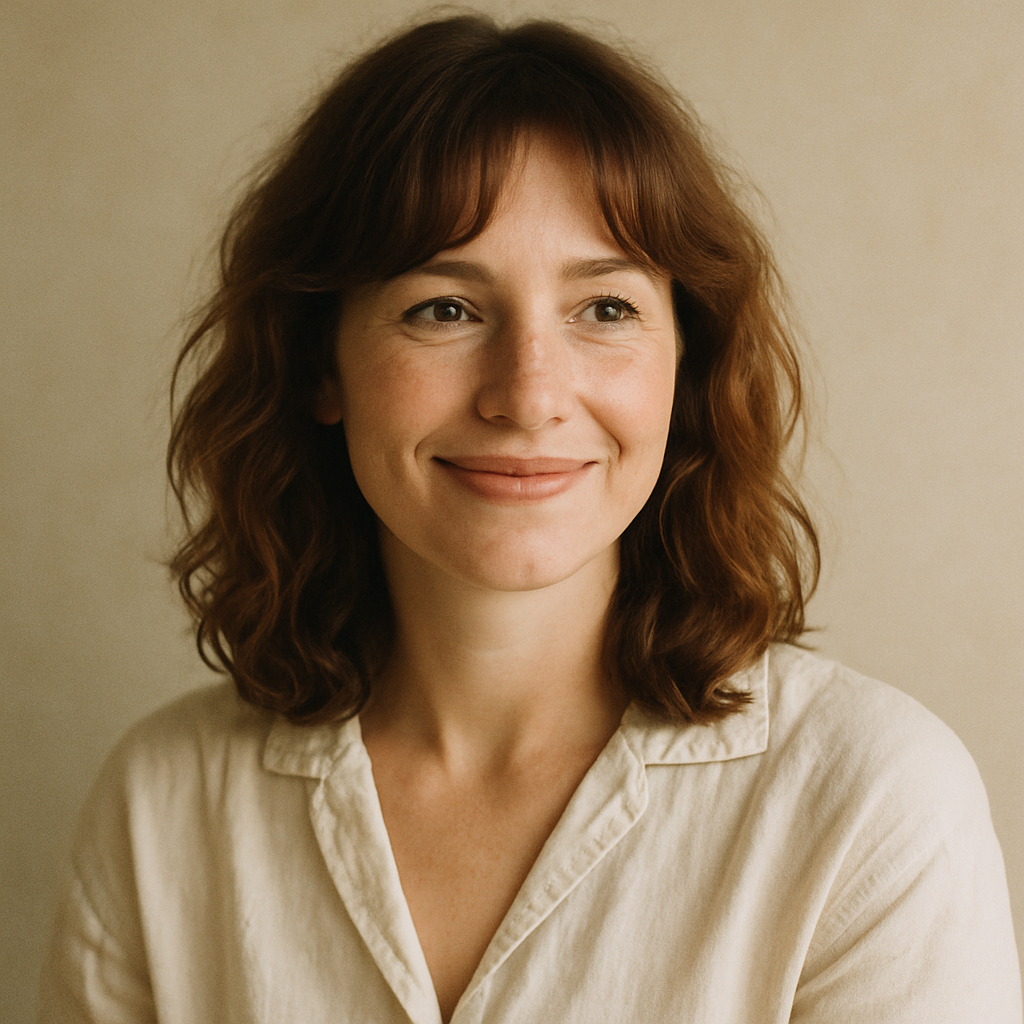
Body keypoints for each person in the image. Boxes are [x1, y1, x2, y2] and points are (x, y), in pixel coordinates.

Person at [39, 14, 1021, 1024]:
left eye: (604, 309)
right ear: (320, 363)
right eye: (444, 308)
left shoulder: (869, 802)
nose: (528, 395)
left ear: (684, 365)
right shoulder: (161, 807)